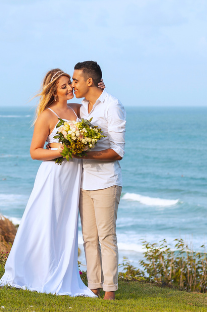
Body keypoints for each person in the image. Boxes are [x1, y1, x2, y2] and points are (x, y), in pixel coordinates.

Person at [0, 68, 96, 297]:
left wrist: (98, 88)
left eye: (70, 84)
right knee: (45, 221)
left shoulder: (77, 110)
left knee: (65, 224)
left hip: (72, 178)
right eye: (64, 86)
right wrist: (62, 150)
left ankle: (62, 271)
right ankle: (35, 272)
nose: (70, 88)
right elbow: (34, 152)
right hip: (53, 176)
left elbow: (94, 106)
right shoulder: (47, 116)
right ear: (53, 91)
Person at [72, 60, 126, 300]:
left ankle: (110, 291)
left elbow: (118, 151)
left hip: (106, 182)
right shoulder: (82, 107)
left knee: (106, 237)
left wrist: (85, 154)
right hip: (84, 183)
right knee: (89, 238)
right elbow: (59, 105)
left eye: (75, 81)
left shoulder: (112, 105)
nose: (73, 85)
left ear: (89, 81)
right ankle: (93, 286)